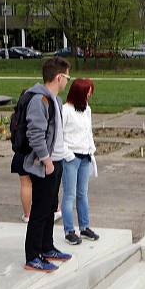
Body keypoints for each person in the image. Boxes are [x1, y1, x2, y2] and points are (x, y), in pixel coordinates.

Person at [22, 57, 74, 272]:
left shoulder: (56, 100)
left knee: (50, 208)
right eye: (67, 77)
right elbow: (35, 134)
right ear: (59, 77)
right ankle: (32, 256)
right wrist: (46, 160)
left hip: (57, 161)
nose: (67, 82)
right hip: (45, 164)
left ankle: (47, 247)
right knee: (40, 211)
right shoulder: (39, 100)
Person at [60, 78, 100, 245]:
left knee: (82, 193)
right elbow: (58, 136)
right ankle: (69, 230)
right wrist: (68, 155)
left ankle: (84, 227)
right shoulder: (65, 110)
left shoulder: (86, 110)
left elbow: (88, 131)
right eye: (87, 93)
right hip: (71, 157)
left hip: (85, 156)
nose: (89, 96)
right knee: (69, 194)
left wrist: (91, 149)